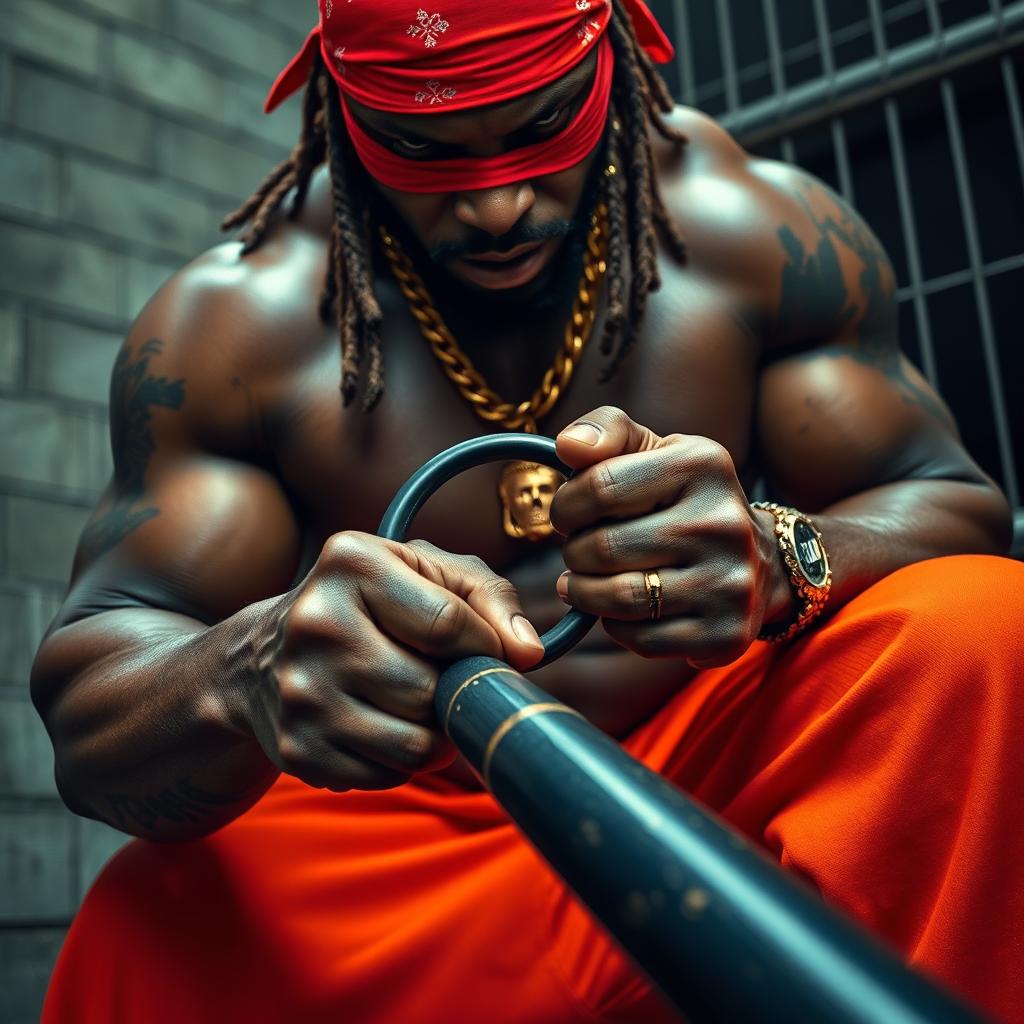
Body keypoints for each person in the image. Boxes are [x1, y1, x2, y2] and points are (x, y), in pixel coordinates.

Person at [32, 2, 1022, 1021]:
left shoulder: (752, 232)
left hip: (716, 764)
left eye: (541, 123)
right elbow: (88, 717)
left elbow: (952, 505)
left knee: (986, 628)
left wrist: (782, 553)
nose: (498, 206)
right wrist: (251, 669)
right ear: (340, 105)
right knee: (141, 931)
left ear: (610, 59)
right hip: (418, 830)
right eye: (421, 147)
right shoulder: (237, 326)